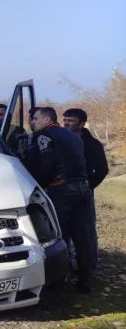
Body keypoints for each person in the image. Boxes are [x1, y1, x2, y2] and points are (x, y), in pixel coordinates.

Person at [25, 107, 95, 292]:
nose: (32, 122)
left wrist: (39, 185)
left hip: (61, 189)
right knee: (83, 236)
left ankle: (58, 281)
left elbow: (46, 165)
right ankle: (85, 279)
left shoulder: (44, 136)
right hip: (83, 188)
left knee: (59, 236)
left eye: (36, 119)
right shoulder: (72, 135)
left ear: (47, 119)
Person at [62, 108, 109, 266]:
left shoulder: (92, 145)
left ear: (81, 123)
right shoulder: (60, 141)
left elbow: (102, 170)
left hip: (84, 193)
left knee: (85, 232)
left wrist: (88, 186)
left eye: (71, 120)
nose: (66, 123)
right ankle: (64, 265)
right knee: (62, 231)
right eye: (65, 120)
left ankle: (87, 271)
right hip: (61, 192)